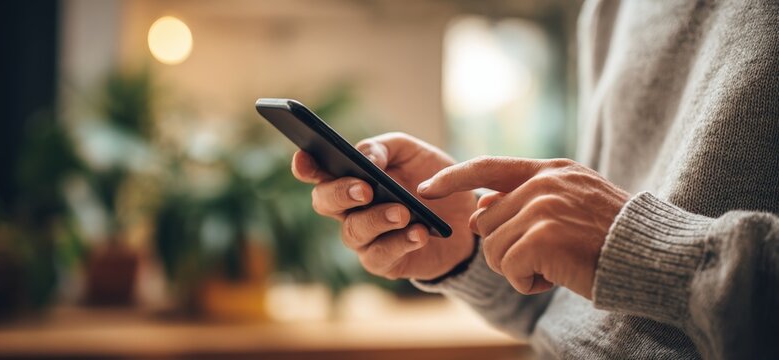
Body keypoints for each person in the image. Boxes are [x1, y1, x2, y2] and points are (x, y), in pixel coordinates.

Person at [291, 1, 778, 358]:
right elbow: (591, 309)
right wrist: (467, 246)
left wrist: (647, 250)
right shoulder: (610, 10)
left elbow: (627, 253)